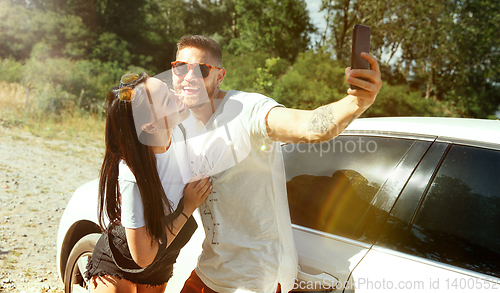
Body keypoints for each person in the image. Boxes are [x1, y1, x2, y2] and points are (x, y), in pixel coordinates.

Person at [170, 35, 382, 293]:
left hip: (256, 281)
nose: (188, 77)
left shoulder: (247, 110)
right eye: (181, 68)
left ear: (219, 75)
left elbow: (312, 126)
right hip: (210, 271)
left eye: (201, 70)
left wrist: (357, 101)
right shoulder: (181, 122)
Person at [84, 72, 212, 293]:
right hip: (122, 263)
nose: (176, 95)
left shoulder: (184, 134)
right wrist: (188, 207)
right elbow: (143, 256)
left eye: (167, 89)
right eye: (166, 99)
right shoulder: (132, 176)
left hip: (162, 258)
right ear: (150, 127)